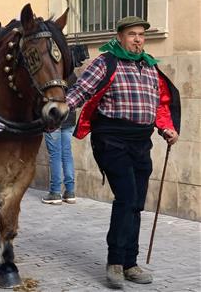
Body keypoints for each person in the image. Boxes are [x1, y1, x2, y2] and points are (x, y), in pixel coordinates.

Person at [66, 16, 180, 289]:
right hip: (111, 140)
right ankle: (115, 262)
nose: (138, 39)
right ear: (120, 36)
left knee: (137, 203)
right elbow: (80, 91)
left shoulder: (149, 66)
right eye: (132, 34)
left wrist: (167, 129)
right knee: (127, 198)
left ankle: (131, 263)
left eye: (141, 34)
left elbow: (160, 105)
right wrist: (59, 108)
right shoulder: (106, 62)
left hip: (141, 143)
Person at [42, 83, 77, 205]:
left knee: (55, 155)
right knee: (66, 154)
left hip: (53, 119)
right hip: (69, 118)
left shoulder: (52, 74)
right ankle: (70, 191)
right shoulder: (71, 74)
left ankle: (55, 192)